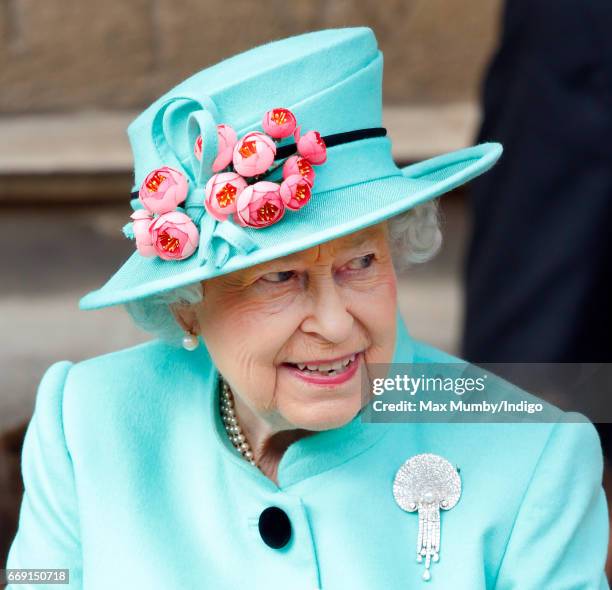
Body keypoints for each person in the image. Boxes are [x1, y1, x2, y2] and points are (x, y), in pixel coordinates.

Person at [4, 27, 609, 589]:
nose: (337, 322)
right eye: (278, 277)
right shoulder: (87, 423)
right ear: (185, 306)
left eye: (361, 263)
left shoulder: (533, 457)